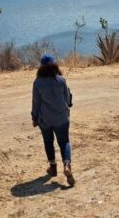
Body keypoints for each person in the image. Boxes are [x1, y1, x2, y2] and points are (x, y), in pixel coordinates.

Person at [31, 54, 75, 186]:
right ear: (54, 65)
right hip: (61, 118)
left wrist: (34, 117)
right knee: (64, 142)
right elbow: (67, 99)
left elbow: (36, 103)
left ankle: (53, 168)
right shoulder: (61, 80)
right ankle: (67, 165)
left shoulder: (37, 82)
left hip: (45, 120)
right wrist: (68, 105)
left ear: (41, 67)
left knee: (48, 141)